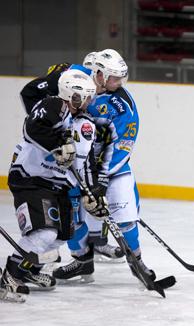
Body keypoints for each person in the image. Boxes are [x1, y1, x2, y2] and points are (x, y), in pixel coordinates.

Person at [52, 49, 157, 283]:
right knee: (70, 216)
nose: (119, 83)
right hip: (74, 165)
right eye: (114, 77)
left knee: (126, 218)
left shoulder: (123, 106)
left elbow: (123, 147)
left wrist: (99, 181)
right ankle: (82, 262)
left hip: (112, 170)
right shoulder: (75, 76)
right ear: (98, 74)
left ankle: (137, 261)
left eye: (121, 78)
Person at [0, 70, 104, 303]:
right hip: (31, 178)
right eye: (83, 97)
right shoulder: (54, 104)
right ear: (70, 95)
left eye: (90, 98)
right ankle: (10, 276)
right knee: (44, 232)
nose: (87, 102)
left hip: (59, 185)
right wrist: (57, 145)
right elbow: (32, 129)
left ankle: (28, 270)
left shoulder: (87, 125)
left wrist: (94, 191)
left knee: (63, 235)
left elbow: (86, 162)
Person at [18, 53, 124, 262]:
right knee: (52, 204)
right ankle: (44, 249)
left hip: (70, 145)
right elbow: (29, 93)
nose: (116, 84)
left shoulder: (93, 95)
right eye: (113, 77)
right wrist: (50, 131)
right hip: (45, 150)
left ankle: (89, 245)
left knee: (76, 201)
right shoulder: (66, 78)